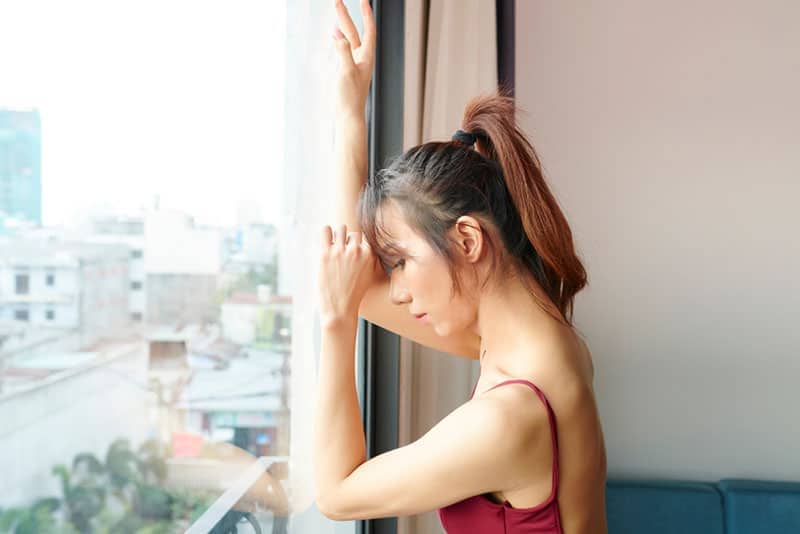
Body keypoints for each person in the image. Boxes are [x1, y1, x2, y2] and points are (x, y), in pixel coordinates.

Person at [314, 1, 607, 532]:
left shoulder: (508, 419)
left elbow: (337, 495)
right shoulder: (545, 344)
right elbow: (363, 278)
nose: (396, 288)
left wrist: (336, 325)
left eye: (401, 262)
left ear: (467, 238)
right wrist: (350, 111)